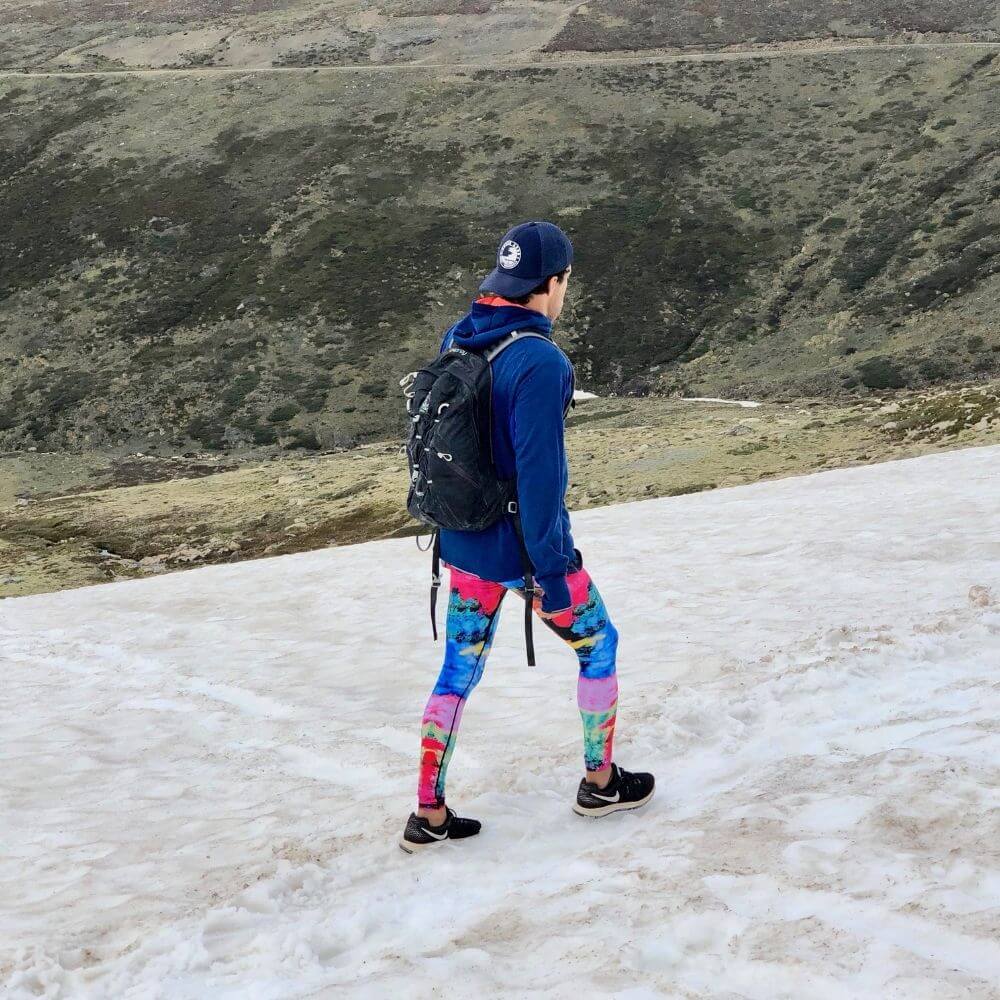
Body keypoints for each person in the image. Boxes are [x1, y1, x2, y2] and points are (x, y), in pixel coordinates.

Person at [400, 221, 654, 853]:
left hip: (461, 545)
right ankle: (600, 782)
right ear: (552, 283)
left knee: (459, 670)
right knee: (599, 644)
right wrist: (553, 568)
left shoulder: (461, 337)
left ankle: (427, 814)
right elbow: (542, 477)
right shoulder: (540, 362)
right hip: (524, 551)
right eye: (565, 283)